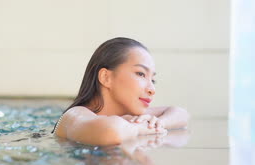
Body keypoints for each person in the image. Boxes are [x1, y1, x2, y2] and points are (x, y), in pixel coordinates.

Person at [52, 37, 189, 146]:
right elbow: (111, 131)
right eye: (141, 74)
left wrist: (159, 123)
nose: (152, 90)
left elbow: (181, 114)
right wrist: (141, 128)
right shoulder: (74, 115)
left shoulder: (127, 114)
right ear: (106, 77)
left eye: (152, 80)